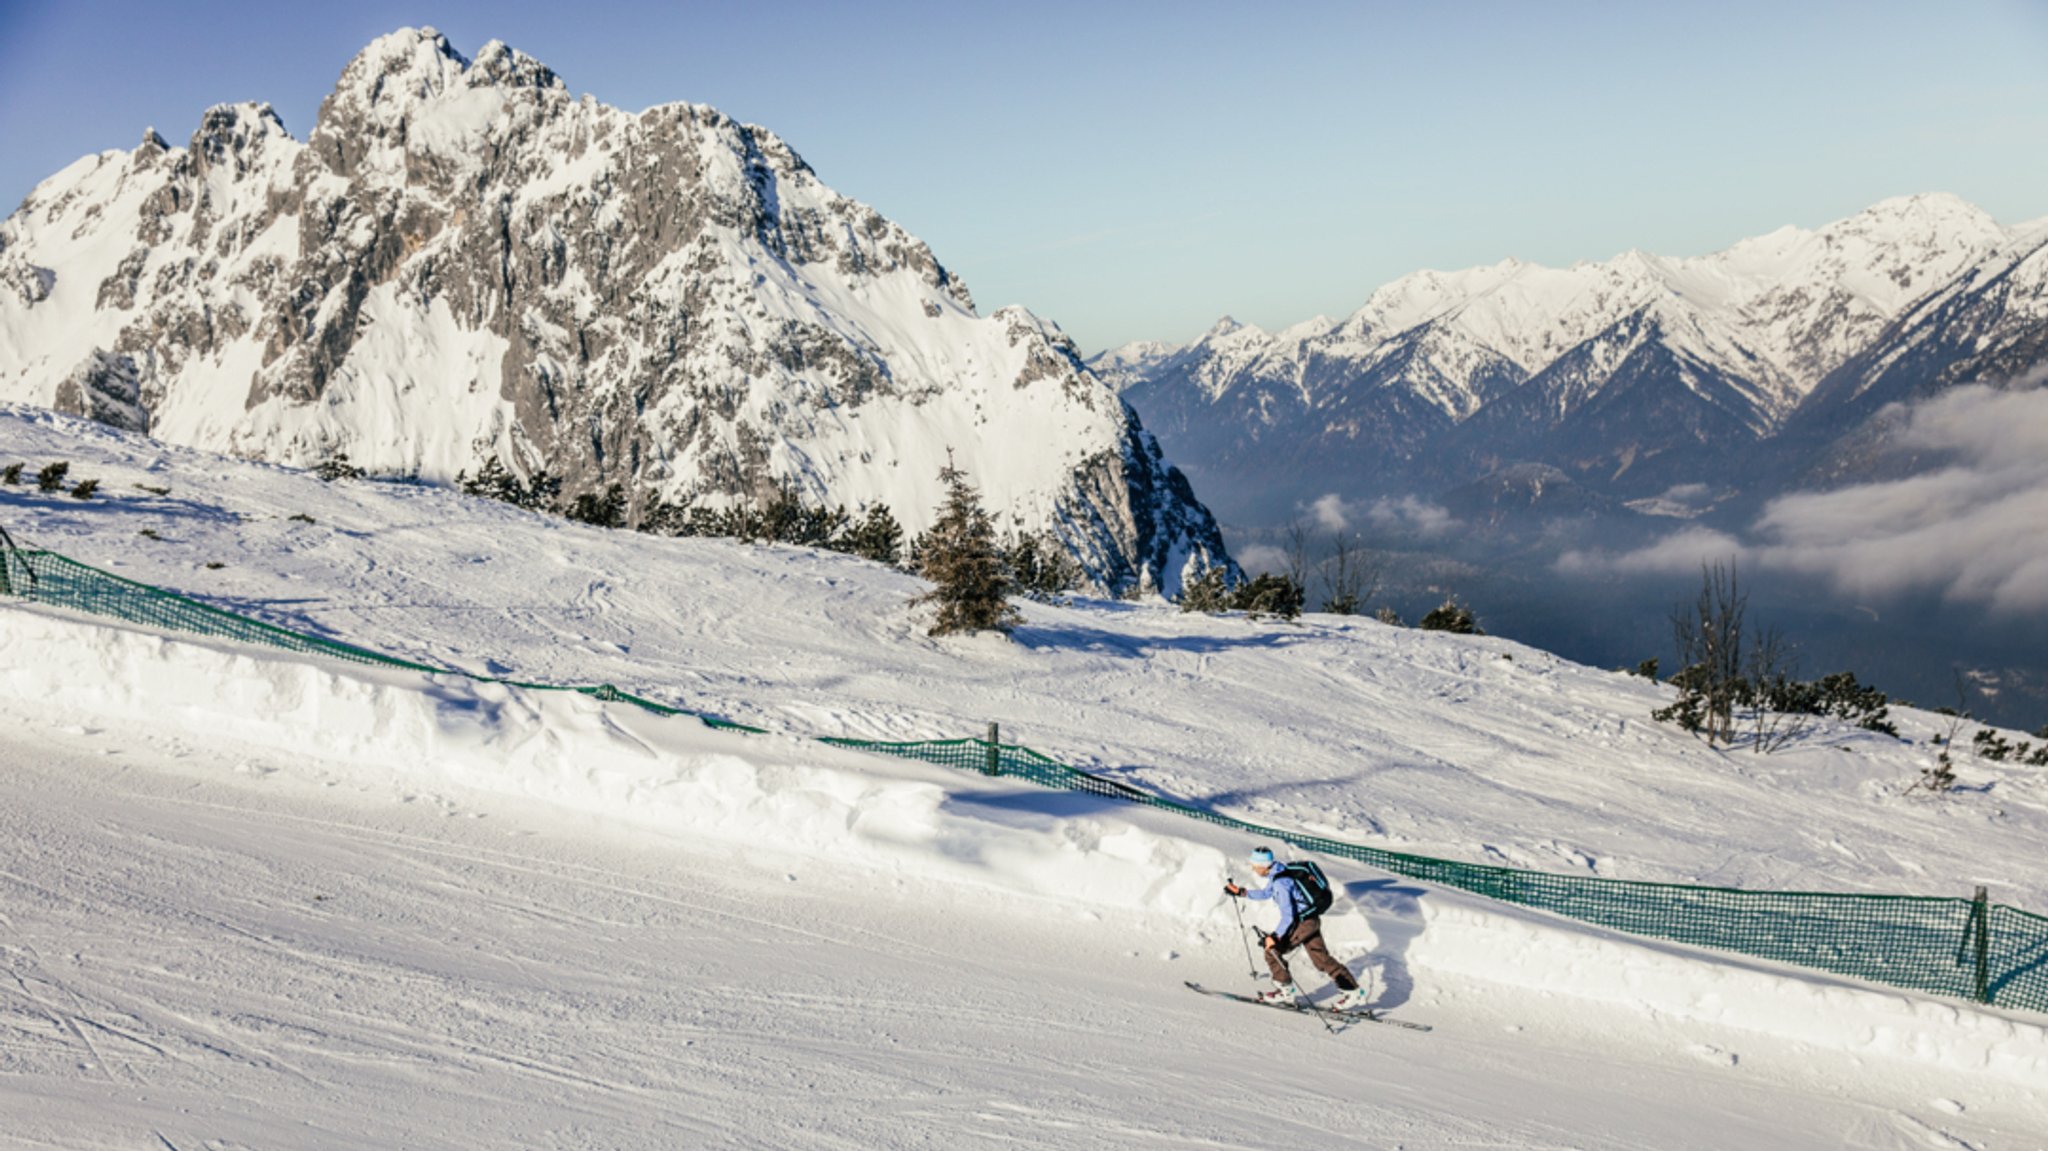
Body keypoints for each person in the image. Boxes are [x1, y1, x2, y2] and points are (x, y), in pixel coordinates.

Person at [1224, 847, 1368, 1010]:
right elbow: (1266, 893)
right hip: (1310, 920)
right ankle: (1353, 991)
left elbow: (1288, 916)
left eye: (1255, 865)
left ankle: (1285, 992)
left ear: (1264, 865)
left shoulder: (1281, 883)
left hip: (1303, 924)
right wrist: (1241, 892)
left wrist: (1275, 937)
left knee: (1272, 951)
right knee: (1321, 959)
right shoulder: (1279, 872)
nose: (1253, 868)